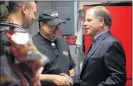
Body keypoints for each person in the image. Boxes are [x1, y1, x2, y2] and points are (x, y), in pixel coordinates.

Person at [62, 6, 127, 86]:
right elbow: (88, 77)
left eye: (89, 20)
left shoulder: (111, 44)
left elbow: (118, 78)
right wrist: (71, 79)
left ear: (101, 22)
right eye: (85, 20)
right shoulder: (96, 42)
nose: (85, 24)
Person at [0, 1, 48, 86]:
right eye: (34, 13)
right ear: (24, 9)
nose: (34, 17)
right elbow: (35, 72)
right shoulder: (20, 36)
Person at [33, 9, 76, 86]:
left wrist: (72, 81)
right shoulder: (32, 45)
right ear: (42, 25)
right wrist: (53, 78)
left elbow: (71, 68)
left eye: (59, 24)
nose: (57, 28)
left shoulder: (62, 42)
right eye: (53, 25)